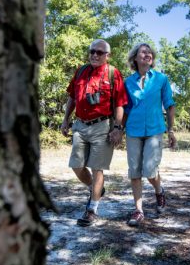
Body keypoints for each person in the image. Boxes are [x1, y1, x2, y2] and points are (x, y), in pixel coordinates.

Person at [60, 39, 128, 227]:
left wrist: (117, 128)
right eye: (92, 51)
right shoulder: (81, 71)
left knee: (97, 168)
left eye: (99, 52)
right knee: (76, 165)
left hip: (102, 126)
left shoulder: (113, 73)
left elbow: (120, 104)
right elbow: (72, 97)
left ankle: (92, 209)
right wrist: (66, 119)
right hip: (80, 126)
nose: (95, 55)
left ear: (108, 55)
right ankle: (95, 189)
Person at [122, 43, 176, 227]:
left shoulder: (161, 79)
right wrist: (118, 129)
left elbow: (169, 104)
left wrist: (172, 130)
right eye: (143, 52)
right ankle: (138, 210)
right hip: (133, 130)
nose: (147, 54)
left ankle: (159, 191)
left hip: (154, 130)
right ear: (135, 58)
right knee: (134, 171)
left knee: (150, 170)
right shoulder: (128, 82)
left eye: (149, 52)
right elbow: (125, 109)